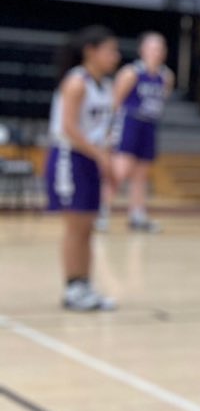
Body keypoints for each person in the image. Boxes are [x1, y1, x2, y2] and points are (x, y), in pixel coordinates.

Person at [46, 25, 121, 311]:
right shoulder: (76, 82)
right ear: (90, 51)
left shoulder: (105, 85)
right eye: (110, 50)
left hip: (90, 157)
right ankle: (72, 288)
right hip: (69, 156)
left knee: (88, 227)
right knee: (75, 227)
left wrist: (107, 159)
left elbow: (102, 130)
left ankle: (85, 285)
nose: (115, 56)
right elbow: (68, 127)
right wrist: (99, 156)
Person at [108, 29, 173, 234]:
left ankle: (137, 215)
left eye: (160, 48)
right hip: (129, 121)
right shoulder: (131, 73)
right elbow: (115, 102)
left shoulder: (166, 75)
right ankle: (100, 212)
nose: (157, 52)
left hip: (149, 123)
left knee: (142, 173)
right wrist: (110, 130)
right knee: (120, 170)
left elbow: (163, 100)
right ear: (142, 50)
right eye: (153, 47)